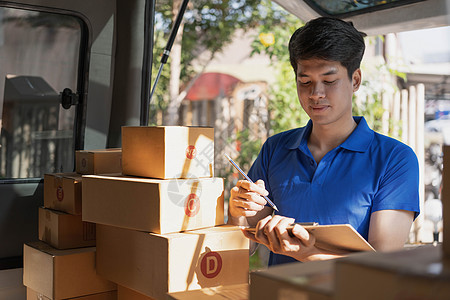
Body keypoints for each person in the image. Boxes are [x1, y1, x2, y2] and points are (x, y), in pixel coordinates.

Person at [227, 17, 420, 266]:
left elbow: (382, 265)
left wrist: (306, 252)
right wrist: (237, 214)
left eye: (329, 81)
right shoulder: (275, 149)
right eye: (305, 81)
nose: (316, 93)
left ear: (355, 80)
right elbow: (244, 247)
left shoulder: (395, 160)